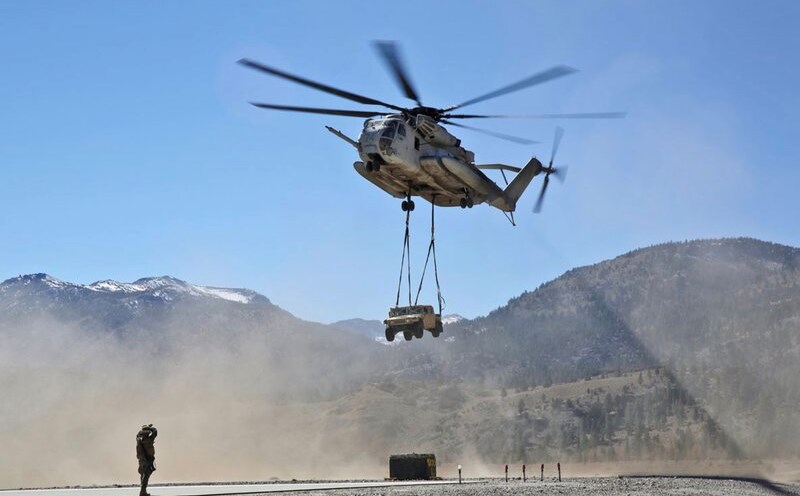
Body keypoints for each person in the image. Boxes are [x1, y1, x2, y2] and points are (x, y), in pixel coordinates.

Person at [136, 424, 157, 496]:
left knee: (143, 475)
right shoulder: (149, 439)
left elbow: (138, 435)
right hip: (147, 460)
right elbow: (155, 431)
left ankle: (143, 491)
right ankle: (142, 492)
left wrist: (142, 430)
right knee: (146, 475)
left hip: (142, 460)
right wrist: (150, 428)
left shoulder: (139, 439)